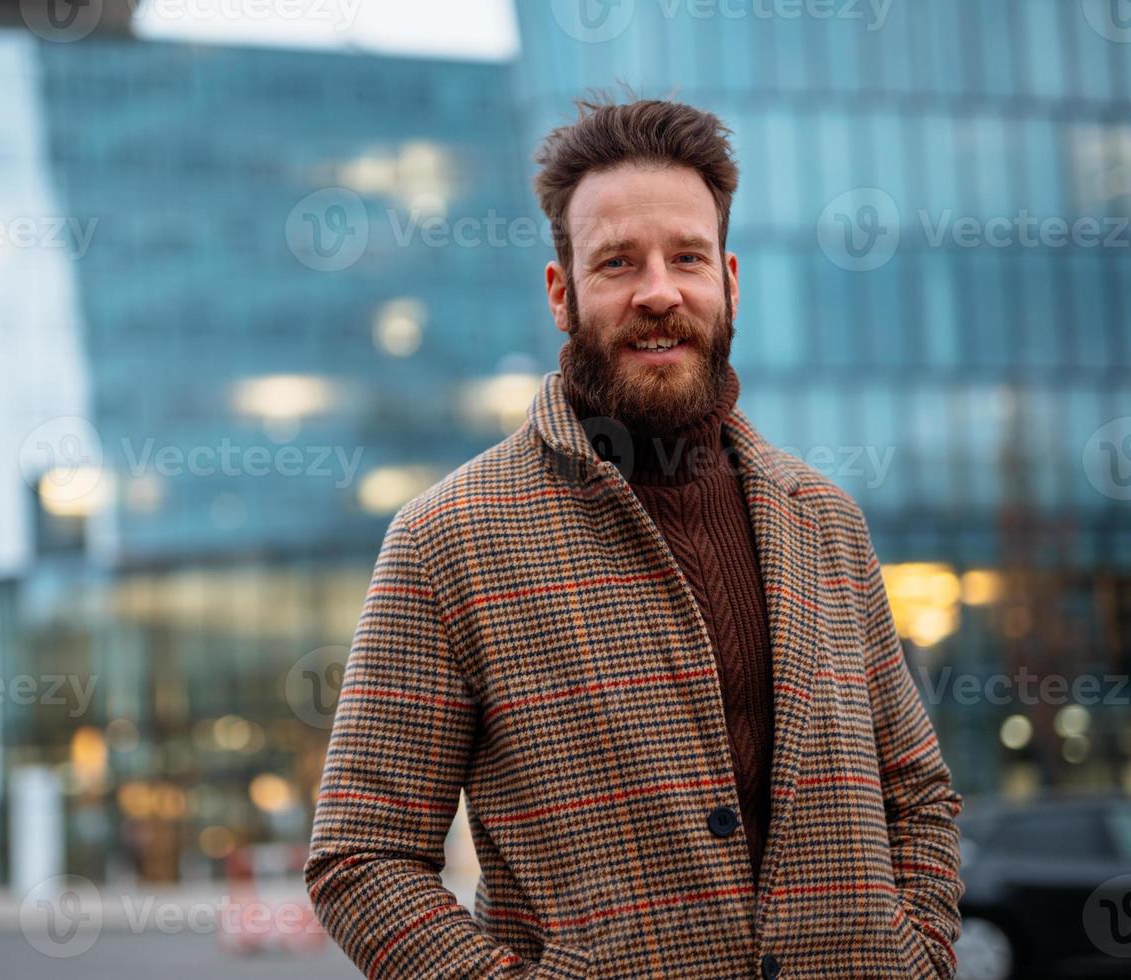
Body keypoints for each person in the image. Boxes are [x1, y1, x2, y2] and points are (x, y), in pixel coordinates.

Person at [304, 95, 962, 978]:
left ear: (729, 280)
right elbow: (361, 857)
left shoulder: (825, 522)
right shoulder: (447, 540)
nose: (659, 291)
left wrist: (916, 955)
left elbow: (916, 792)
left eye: (686, 257)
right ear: (561, 293)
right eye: (617, 263)